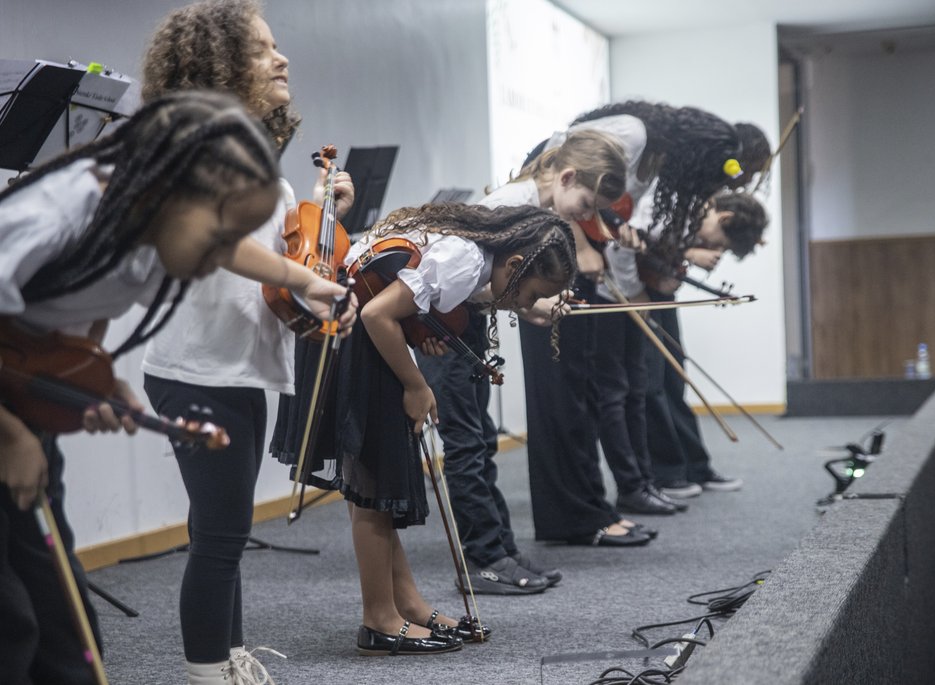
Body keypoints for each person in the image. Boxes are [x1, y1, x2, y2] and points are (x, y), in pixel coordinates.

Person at [0, 90, 293, 685]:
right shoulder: (55, 218)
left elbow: (78, 323)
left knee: (67, 631)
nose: (221, 260)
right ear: (173, 191)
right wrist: (10, 436)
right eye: (220, 237)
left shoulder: (150, 240)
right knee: (14, 626)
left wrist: (96, 382)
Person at [138, 3, 356, 682]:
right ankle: (208, 672)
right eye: (263, 49)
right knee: (223, 537)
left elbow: (287, 270)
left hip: (235, 366)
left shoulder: (251, 154)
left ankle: (226, 659)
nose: (282, 58)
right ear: (218, 64)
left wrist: (326, 241)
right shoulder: (197, 146)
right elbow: (219, 243)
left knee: (219, 531)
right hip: (196, 367)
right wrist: (306, 280)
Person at [273, 202, 577, 654]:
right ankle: (378, 619)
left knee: (370, 486)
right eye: (530, 294)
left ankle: (407, 604)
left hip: (350, 333)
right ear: (514, 264)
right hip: (355, 338)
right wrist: (416, 385)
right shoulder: (466, 259)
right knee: (374, 488)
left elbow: (400, 295)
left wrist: (418, 326)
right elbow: (378, 315)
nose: (525, 305)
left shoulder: (472, 258)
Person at [415, 129, 627, 594]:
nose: (588, 217)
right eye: (587, 204)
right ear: (567, 176)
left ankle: (503, 550)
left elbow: (492, 286)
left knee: (481, 439)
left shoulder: (537, 209)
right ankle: (485, 558)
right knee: (467, 443)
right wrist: (528, 305)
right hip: (443, 327)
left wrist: (533, 306)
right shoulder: (514, 204)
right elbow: (458, 275)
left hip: (462, 322)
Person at [524, 101, 746, 540]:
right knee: (565, 394)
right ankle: (573, 518)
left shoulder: (651, 155)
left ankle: (593, 509)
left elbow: (610, 224)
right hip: (549, 245)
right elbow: (551, 171)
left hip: (576, 254)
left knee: (585, 390)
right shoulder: (631, 134)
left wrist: (614, 261)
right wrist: (580, 244)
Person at [644, 191, 770, 497]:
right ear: (724, 218)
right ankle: (667, 474)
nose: (713, 249)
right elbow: (635, 237)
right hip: (640, 296)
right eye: (719, 244)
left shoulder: (693, 213)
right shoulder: (673, 203)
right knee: (651, 386)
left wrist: (680, 260)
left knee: (674, 381)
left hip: (660, 295)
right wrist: (687, 253)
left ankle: (695, 468)